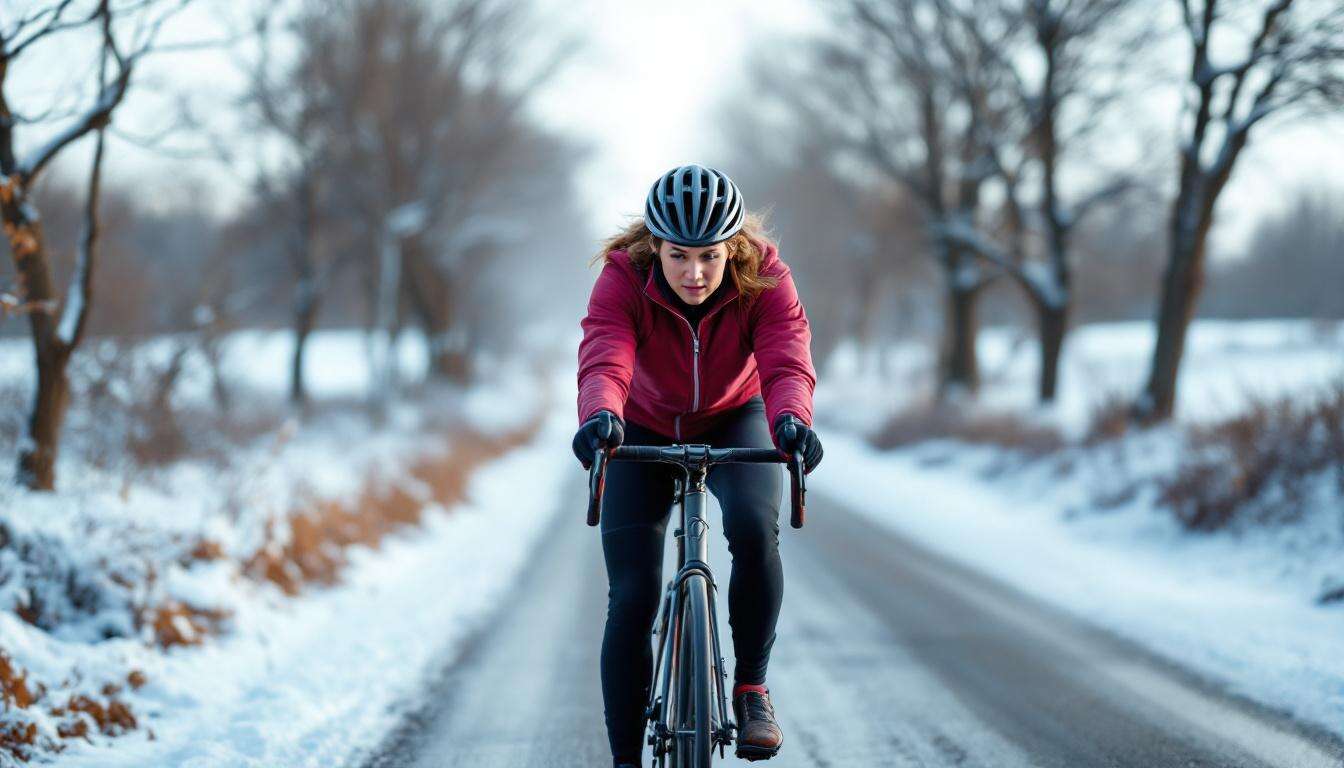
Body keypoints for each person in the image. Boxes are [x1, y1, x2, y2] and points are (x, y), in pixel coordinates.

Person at [572, 164, 823, 767]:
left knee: (752, 529)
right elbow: (605, 356)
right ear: (653, 245)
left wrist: (793, 420)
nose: (694, 272)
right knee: (631, 595)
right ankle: (627, 761)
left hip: (737, 414)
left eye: (709, 256)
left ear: (731, 248)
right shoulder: (622, 278)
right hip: (641, 421)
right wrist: (601, 416)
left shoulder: (764, 277)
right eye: (678, 255)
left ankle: (751, 689)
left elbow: (786, 359)